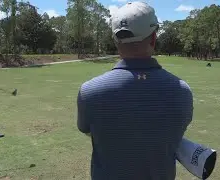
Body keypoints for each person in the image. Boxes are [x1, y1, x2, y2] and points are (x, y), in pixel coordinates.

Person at [76, 2, 193, 180]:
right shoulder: (182, 91)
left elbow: (86, 130)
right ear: (153, 38)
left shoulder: (89, 91)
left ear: (116, 41)